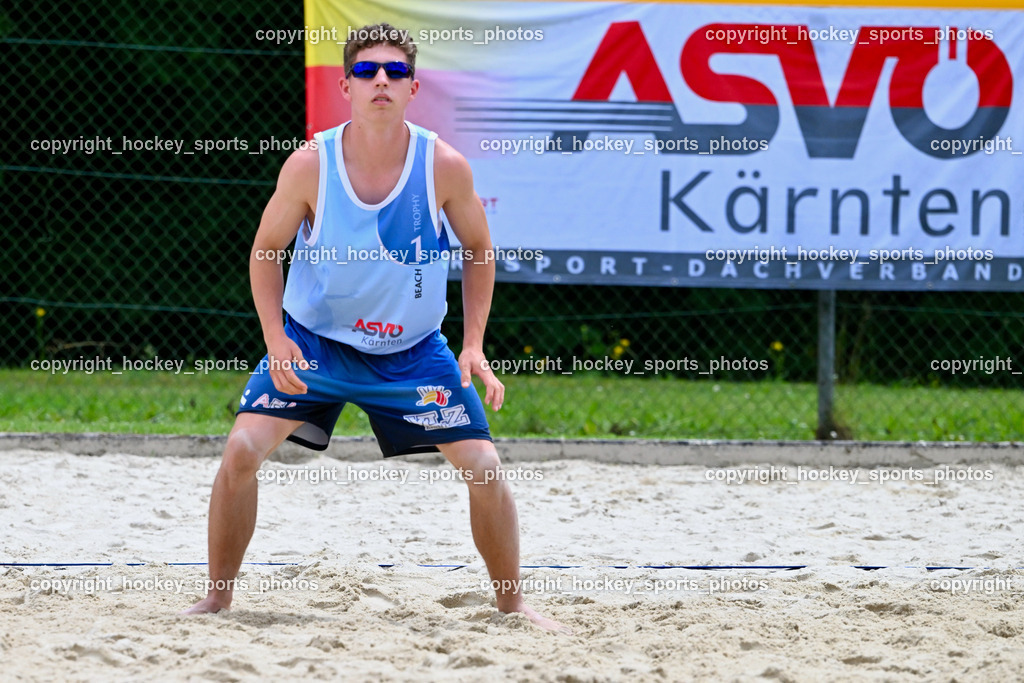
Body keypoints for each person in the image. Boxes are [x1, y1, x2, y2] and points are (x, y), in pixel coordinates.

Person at [183, 22, 569, 633]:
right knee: (240, 451)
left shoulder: (442, 165)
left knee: (484, 467)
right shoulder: (310, 164)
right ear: (346, 87)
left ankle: (511, 604)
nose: (380, 81)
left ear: (415, 86)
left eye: (394, 71)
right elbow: (264, 253)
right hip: (315, 344)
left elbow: (478, 249)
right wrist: (276, 340)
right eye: (366, 71)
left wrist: (473, 344)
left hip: (412, 353)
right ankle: (217, 598)